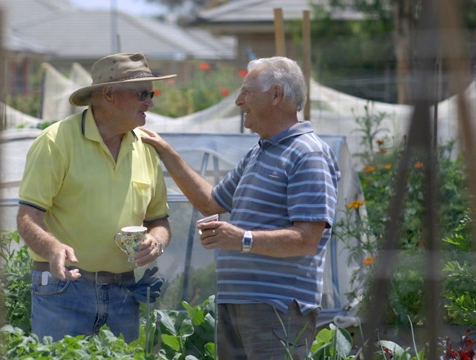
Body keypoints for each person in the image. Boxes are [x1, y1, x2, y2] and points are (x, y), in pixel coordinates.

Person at [141, 56, 340, 359]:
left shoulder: (307, 154)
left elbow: (306, 240)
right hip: (237, 303)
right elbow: (211, 202)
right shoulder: (260, 151)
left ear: (276, 95)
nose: (237, 101)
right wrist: (167, 152)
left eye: (247, 92)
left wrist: (242, 239)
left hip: (277, 307)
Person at [16, 52, 173, 342]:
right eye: (142, 94)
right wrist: (52, 248)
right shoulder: (55, 141)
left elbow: (159, 220)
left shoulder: (147, 149)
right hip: (65, 288)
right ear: (110, 94)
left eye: (151, 93)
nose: (150, 102)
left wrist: (157, 242)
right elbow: (28, 217)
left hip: (124, 291)